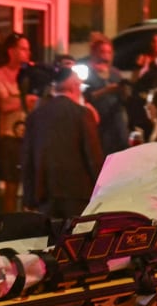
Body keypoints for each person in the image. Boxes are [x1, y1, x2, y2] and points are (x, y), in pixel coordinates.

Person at [21, 66, 104, 218]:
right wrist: (101, 190)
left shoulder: (36, 116)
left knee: (50, 240)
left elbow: (27, 158)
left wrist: (28, 197)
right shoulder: (82, 114)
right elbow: (93, 156)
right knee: (75, 239)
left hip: (45, 194)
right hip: (78, 192)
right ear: (74, 86)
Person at [0, 32, 37, 213]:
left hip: (31, 136)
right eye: (23, 49)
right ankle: (9, 225)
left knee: (32, 184)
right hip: (10, 137)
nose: (28, 53)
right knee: (11, 185)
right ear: (11, 51)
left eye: (29, 49)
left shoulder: (32, 75)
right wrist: (26, 100)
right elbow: (4, 104)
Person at [83, 33, 129, 155]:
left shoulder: (115, 73)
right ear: (94, 52)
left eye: (109, 52)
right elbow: (85, 98)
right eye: (102, 52)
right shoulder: (87, 73)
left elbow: (124, 100)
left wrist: (124, 91)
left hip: (116, 123)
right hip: (98, 123)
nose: (106, 56)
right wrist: (106, 90)